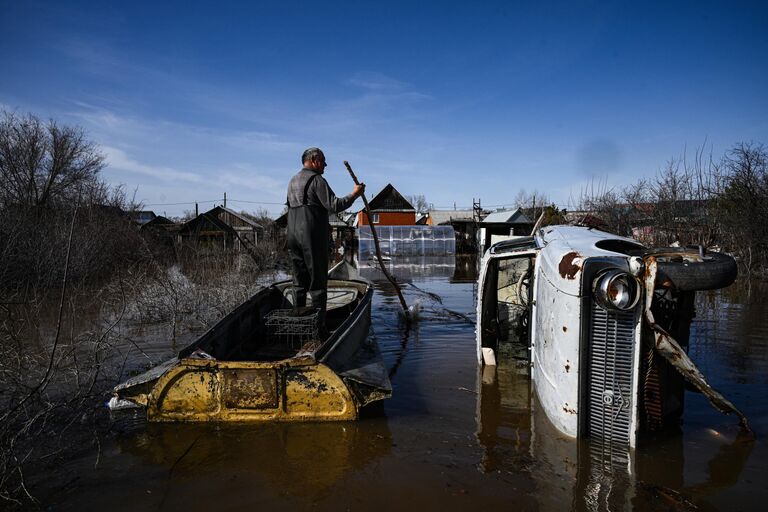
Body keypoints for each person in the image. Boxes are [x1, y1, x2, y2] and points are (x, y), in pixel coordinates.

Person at [286, 147, 364, 335]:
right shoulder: (317, 180)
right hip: (310, 234)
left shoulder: (292, 181)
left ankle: (299, 324)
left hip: (292, 234)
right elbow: (335, 205)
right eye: (323, 161)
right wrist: (355, 194)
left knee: (299, 280)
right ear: (314, 160)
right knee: (318, 282)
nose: (325, 165)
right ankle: (318, 330)